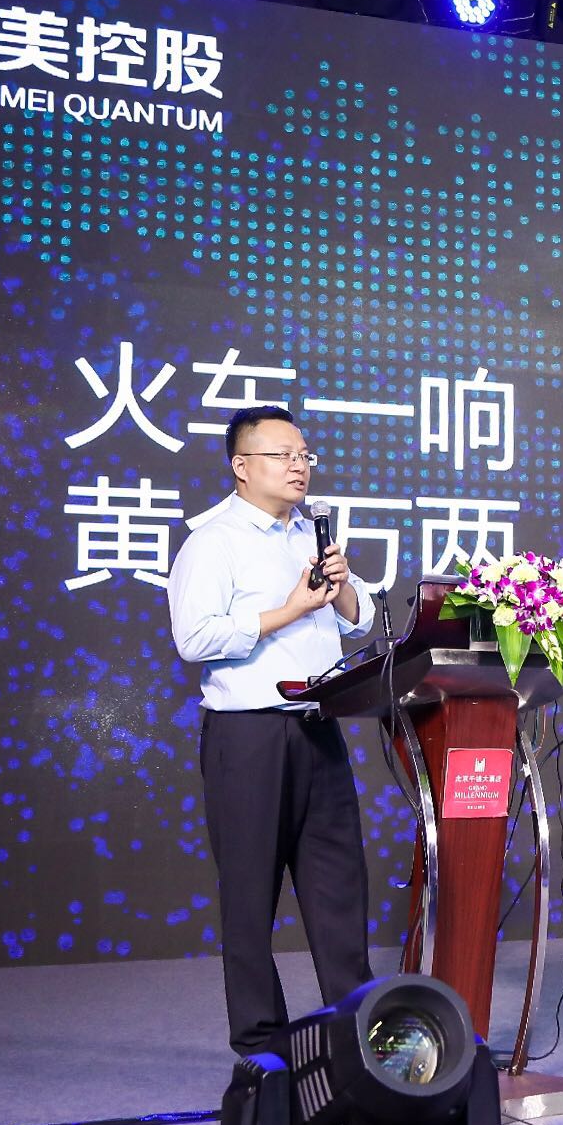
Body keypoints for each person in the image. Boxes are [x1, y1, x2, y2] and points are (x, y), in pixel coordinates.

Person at [166, 405, 377, 1055]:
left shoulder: (311, 535)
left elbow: (360, 620)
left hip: (319, 728)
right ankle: (263, 1048)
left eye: (303, 455)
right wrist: (288, 610)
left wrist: (340, 586)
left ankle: (356, 1036)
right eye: (282, 455)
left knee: (338, 889)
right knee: (250, 894)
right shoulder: (213, 541)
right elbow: (194, 638)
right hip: (248, 736)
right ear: (241, 466)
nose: (297, 466)